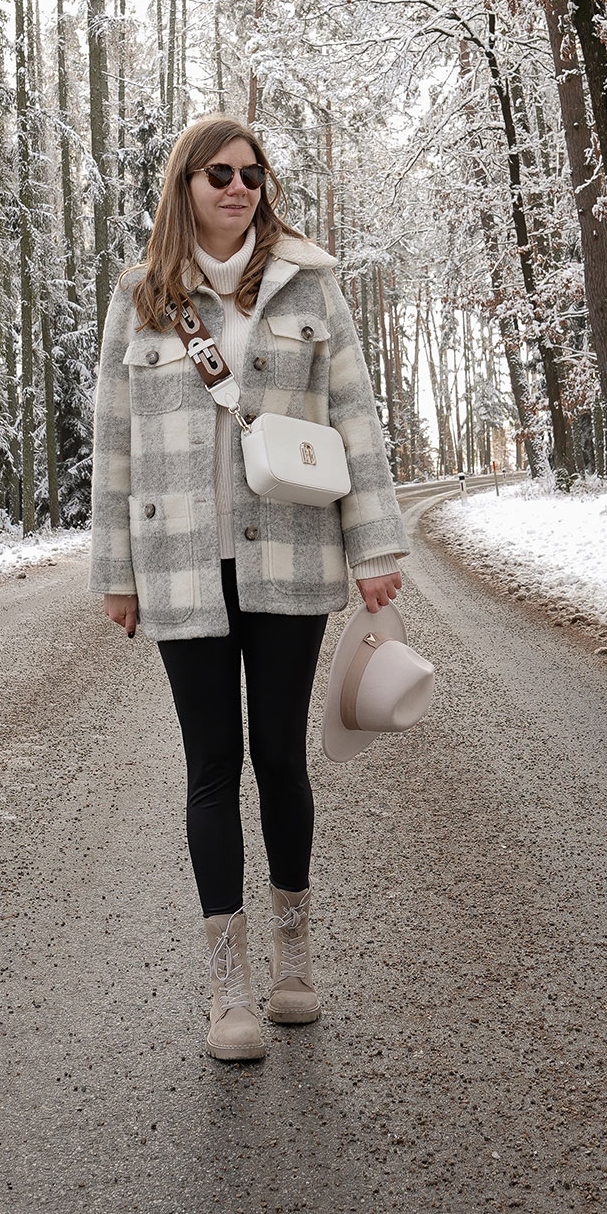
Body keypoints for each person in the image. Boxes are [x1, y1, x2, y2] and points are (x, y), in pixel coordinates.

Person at [90, 114, 407, 1062]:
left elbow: (354, 420)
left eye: (252, 175)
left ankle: (292, 966)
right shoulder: (141, 300)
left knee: (281, 759)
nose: (238, 188)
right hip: (181, 560)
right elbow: (113, 446)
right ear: (184, 185)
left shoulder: (310, 289)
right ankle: (226, 990)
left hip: (292, 557)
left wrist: (374, 548)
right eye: (218, 174)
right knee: (209, 769)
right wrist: (114, 572)